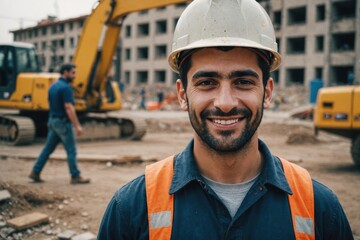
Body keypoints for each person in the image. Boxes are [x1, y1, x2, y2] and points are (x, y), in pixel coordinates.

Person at [98, 0, 353, 239]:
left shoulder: (318, 206)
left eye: (243, 82)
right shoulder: (132, 208)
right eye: (207, 83)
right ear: (182, 94)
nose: (225, 102)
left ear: (267, 92)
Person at [29, 63, 90, 184]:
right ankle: (75, 176)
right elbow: (69, 107)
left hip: (52, 121)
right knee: (71, 150)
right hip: (63, 123)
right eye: (73, 73)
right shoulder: (66, 88)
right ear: (65, 72)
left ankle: (35, 172)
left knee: (47, 149)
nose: (74, 76)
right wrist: (77, 125)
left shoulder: (53, 86)